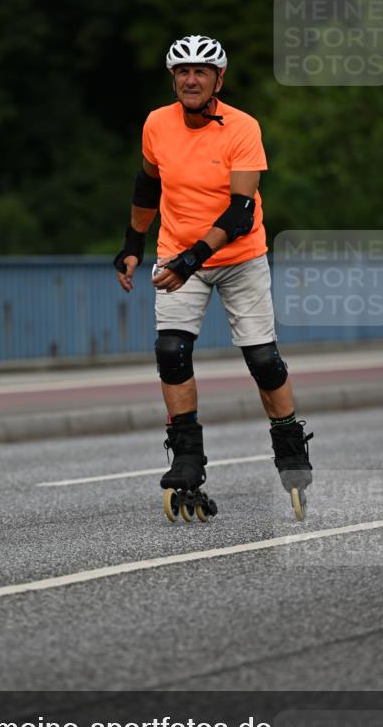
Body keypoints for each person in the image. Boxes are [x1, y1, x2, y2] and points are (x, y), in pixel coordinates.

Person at [113, 34, 313, 519]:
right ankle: (186, 458)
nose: (191, 79)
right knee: (171, 351)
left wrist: (191, 260)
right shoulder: (157, 124)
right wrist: (133, 246)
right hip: (177, 253)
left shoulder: (242, 128)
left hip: (238, 256)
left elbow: (242, 211)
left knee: (263, 360)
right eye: (183, 72)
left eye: (202, 71)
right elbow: (147, 184)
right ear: (173, 79)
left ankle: (290, 449)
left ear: (219, 79)